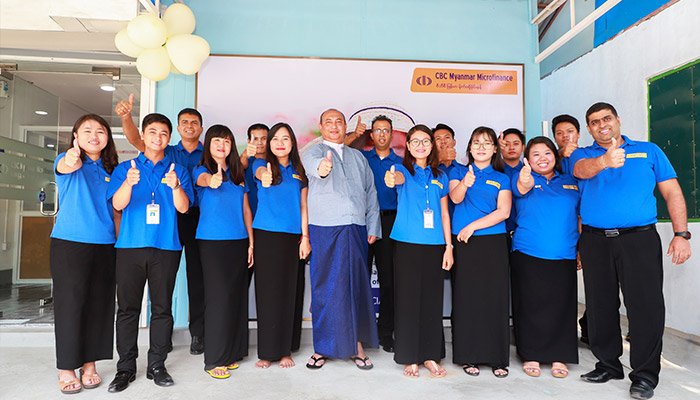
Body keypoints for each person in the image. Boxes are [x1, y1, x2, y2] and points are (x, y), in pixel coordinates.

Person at [571, 102, 691, 400]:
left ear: (618, 120)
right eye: (595, 122)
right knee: (599, 305)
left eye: (607, 118)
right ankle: (608, 364)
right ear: (589, 129)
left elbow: (672, 192)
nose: (602, 125)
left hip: (639, 239)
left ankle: (645, 375)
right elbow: (580, 171)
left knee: (646, 306)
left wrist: (681, 234)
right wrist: (605, 160)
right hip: (595, 240)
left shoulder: (649, 151)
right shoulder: (582, 155)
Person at [107, 113, 194, 392]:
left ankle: (157, 364)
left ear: (169, 138)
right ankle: (125, 368)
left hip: (166, 247)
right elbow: (117, 205)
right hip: (130, 247)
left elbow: (183, 208)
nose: (158, 138)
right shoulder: (126, 168)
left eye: (164, 133)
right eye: (153, 132)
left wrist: (176, 186)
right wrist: (128, 183)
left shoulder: (178, 170)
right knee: (128, 309)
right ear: (143, 135)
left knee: (162, 308)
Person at [115, 98, 207, 355]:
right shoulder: (168, 150)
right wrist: (126, 117)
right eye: (184, 122)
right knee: (157, 288)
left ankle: (198, 334)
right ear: (178, 128)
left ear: (201, 128)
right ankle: (160, 340)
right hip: (169, 217)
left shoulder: (208, 151)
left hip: (198, 216)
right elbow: (136, 139)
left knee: (197, 277)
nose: (189, 126)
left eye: (194, 122)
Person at [301, 108, 381, 370]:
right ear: (321, 126)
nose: (334, 126)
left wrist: (373, 225)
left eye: (339, 122)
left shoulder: (358, 157)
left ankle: (356, 345)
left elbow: (370, 192)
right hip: (325, 228)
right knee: (325, 287)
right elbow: (316, 168)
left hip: (356, 227)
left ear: (345, 126)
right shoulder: (312, 151)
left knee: (355, 286)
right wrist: (323, 168)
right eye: (329, 122)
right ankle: (322, 347)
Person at [50, 114, 119, 394]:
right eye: (87, 131)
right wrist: (72, 157)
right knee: (70, 305)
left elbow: (116, 210)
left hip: (105, 245)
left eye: (100, 131)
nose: (94, 136)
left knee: (99, 305)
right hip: (70, 243)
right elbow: (68, 165)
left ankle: (89, 364)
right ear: (75, 136)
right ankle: (67, 368)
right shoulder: (66, 160)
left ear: (107, 138)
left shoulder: (111, 170)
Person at [384, 124, 453, 378]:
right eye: (415, 141)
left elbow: (444, 214)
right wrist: (391, 178)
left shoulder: (440, 176)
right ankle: (409, 356)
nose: (421, 145)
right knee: (408, 301)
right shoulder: (402, 170)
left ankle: (430, 355)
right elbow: (394, 179)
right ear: (408, 146)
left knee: (432, 301)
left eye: (425, 141)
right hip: (407, 244)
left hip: (435, 245)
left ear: (431, 145)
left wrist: (449, 247)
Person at [510, 136, 580, 379]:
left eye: (547, 153)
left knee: (562, 306)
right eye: (536, 154)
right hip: (528, 252)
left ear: (555, 156)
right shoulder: (521, 177)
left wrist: (581, 247)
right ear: (527, 160)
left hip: (565, 253)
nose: (542, 158)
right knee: (530, 306)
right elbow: (522, 187)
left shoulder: (570, 180)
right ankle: (531, 354)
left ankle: (560, 355)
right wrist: (525, 177)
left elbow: (580, 216)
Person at [448, 126, 512, 378]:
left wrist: (473, 226)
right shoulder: (458, 172)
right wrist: (465, 183)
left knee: (494, 298)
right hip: (464, 245)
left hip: (492, 242)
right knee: (467, 299)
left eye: (486, 143)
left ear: (495, 148)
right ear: (470, 148)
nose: (481, 147)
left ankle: (497, 358)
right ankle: (468, 355)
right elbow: (455, 199)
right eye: (476, 142)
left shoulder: (502, 177)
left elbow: (504, 212)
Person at [193, 124, 253, 379]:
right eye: (217, 140)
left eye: (227, 141)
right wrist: (213, 180)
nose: (221, 145)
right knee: (218, 299)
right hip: (212, 242)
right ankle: (214, 360)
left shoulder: (238, 173)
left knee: (236, 297)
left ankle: (231, 354)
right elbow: (204, 181)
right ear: (208, 144)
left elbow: (246, 210)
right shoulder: (201, 170)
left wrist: (251, 243)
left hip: (239, 241)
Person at [252, 123, 311, 369]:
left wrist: (305, 238)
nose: (280, 143)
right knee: (268, 293)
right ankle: (267, 352)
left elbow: (304, 206)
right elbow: (260, 174)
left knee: (289, 292)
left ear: (292, 143)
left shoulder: (299, 171)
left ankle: (286, 350)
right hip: (266, 235)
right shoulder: (260, 164)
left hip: (293, 238)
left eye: (285, 138)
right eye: (275, 138)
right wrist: (265, 176)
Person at [361, 115, 402, 353]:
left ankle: (386, 333)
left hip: (390, 222)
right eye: (377, 130)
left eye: (386, 130)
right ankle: (362, 334)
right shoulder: (362, 159)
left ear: (392, 133)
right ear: (371, 134)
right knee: (361, 277)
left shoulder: (401, 163)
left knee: (389, 280)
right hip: (364, 221)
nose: (382, 134)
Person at [499, 128, 525, 235]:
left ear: (523, 147)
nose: (511, 147)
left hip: (524, 229)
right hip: (499, 230)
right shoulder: (494, 171)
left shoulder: (529, 172)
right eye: (506, 144)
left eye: (516, 143)